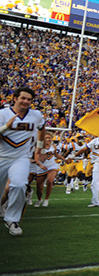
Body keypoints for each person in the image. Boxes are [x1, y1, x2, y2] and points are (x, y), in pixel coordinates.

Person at [0, 87, 45, 236]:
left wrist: (39, 148)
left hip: (21, 158)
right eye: (23, 98)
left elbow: (41, 127)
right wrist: (6, 127)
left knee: (19, 185)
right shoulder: (2, 114)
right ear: (15, 98)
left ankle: (12, 219)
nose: (25, 101)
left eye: (29, 99)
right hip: (2, 156)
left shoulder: (36, 115)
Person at [30, 131, 66, 207]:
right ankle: (39, 199)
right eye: (46, 138)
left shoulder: (53, 146)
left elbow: (56, 155)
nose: (48, 139)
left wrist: (64, 159)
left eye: (49, 137)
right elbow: (36, 156)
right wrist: (40, 165)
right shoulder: (38, 147)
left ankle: (46, 199)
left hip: (52, 166)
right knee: (39, 187)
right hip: (41, 167)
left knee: (50, 181)